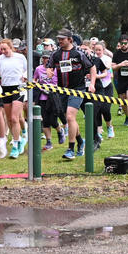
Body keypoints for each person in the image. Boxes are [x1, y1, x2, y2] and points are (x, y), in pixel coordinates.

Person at [47, 29, 95, 161]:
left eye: (62, 38)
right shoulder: (55, 54)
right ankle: (81, 141)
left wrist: (92, 83)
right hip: (63, 90)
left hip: (77, 89)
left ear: (70, 39)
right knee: (70, 118)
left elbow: (92, 66)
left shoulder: (79, 53)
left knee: (70, 116)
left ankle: (71, 149)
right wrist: (49, 72)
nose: (60, 41)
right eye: (59, 38)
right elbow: (49, 66)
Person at [0, 38, 28, 159]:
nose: (3, 51)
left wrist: (24, 77)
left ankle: (16, 144)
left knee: (14, 118)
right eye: (1, 49)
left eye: (5, 49)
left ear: (11, 47)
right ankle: (20, 136)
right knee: (10, 118)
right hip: (6, 88)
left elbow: (27, 70)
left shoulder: (20, 57)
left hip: (18, 87)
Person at [32, 51, 61, 151]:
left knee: (53, 120)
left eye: (48, 58)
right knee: (45, 121)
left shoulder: (57, 69)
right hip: (42, 97)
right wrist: (34, 83)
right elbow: (34, 79)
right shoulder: (38, 69)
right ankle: (49, 142)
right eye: (44, 58)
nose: (46, 60)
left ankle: (59, 131)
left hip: (54, 96)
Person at [91, 42, 115, 149]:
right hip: (98, 87)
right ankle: (99, 132)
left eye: (99, 50)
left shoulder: (107, 59)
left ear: (103, 50)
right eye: (96, 50)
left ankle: (110, 126)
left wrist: (95, 76)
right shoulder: (92, 60)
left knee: (106, 109)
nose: (98, 52)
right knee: (97, 109)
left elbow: (107, 73)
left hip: (107, 86)